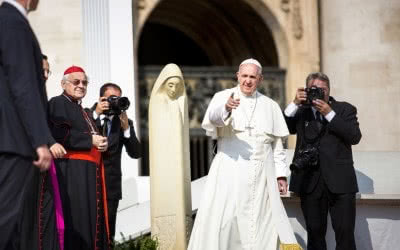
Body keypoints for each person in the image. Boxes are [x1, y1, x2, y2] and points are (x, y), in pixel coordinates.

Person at [188, 59, 300, 250]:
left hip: (262, 176)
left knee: (264, 223)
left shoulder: (270, 105)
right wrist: (226, 108)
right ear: (238, 76)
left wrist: (280, 175)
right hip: (230, 171)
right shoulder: (223, 96)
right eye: (245, 76)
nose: (248, 81)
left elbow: (277, 146)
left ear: (260, 79)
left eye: (252, 77)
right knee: (226, 222)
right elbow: (213, 119)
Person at [284, 72, 362, 250]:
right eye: (314, 89)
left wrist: (329, 114)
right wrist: (295, 102)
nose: (319, 93)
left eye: (323, 90)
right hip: (310, 181)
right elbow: (282, 126)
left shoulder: (344, 109)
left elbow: (354, 136)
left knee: (345, 233)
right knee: (315, 233)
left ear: (329, 91)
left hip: (340, 182)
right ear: (306, 90)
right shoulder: (301, 111)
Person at [0, 0, 54, 249]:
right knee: (7, 221)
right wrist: (40, 140)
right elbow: (24, 85)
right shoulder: (14, 22)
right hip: (14, 141)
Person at [48, 66, 110, 250]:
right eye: (76, 82)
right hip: (73, 173)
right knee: (78, 221)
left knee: (91, 221)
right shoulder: (58, 103)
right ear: (63, 84)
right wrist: (90, 140)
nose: (81, 85)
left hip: (89, 173)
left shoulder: (82, 110)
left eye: (84, 82)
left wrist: (102, 145)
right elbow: (59, 133)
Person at [86, 83, 142, 240]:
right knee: (88, 229)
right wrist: (96, 113)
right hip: (88, 182)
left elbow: (136, 153)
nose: (115, 101)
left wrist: (126, 130)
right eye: (112, 98)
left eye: (118, 98)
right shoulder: (87, 115)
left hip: (111, 186)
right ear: (101, 98)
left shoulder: (125, 122)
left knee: (108, 232)